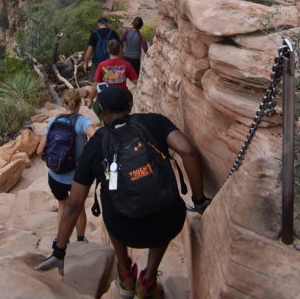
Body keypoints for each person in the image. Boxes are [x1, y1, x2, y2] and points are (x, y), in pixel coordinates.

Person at [37, 86, 211, 298]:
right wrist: (199, 199)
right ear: (130, 106)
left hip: (125, 229)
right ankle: (149, 280)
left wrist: (60, 251)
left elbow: (74, 205)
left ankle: (126, 273)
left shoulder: (97, 143)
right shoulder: (154, 122)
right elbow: (187, 150)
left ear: (104, 112)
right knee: (162, 196)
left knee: (108, 195)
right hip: (169, 223)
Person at [36, 88, 96, 243]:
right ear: (80, 104)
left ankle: (62, 238)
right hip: (76, 177)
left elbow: (39, 150)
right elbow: (96, 138)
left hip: (55, 175)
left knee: (62, 203)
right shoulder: (82, 121)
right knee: (78, 207)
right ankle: (81, 239)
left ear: (64, 103)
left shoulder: (54, 121)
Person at [92, 39, 138, 107]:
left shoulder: (101, 65)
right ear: (120, 50)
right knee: (129, 96)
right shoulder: (127, 65)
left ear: (108, 50)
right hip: (122, 96)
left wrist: (90, 98)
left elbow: (95, 84)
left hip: (108, 97)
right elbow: (136, 82)